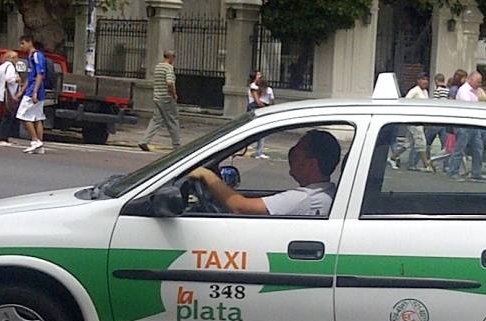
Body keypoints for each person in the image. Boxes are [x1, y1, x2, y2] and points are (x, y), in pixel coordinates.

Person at [188, 130, 341, 216]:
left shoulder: (304, 198)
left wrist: (206, 175)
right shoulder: (326, 193)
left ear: (311, 164)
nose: (291, 155)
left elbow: (239, 206)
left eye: (296, 152)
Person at [387, 72, 435, 172]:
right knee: (421, 141)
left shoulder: (425, 92)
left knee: (408, 143)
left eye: (426, 79)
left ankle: (392, 158)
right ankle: (426, 164)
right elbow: (405, 102)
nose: (425, 81)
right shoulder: (414, 91)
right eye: (422, 79)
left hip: (420, 120)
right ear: (418, 80)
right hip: (414, 121)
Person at [139, 50, 181, 152]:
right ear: (171, 57)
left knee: (156, 120)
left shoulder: (158, 67)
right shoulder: (168, 68)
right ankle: (177, 145)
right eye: (174, 57)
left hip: (157, 97)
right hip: (166, 98)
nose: (174, 60)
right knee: (173, 120)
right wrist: (174, 93)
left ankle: (144, 141)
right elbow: (169, 82)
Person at [447, 71, 486, 181]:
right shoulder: (464, 90)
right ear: (471, 79)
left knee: (478, 149)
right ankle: (453, 172)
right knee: (459, 149)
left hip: (473, 124)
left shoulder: (475, 91)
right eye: (478, 82)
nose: (479, 84)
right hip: (464, 124)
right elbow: (469, 106)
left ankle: (476, 173)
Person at [16, 36, 47, 154]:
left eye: (23, 43)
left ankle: (35, 140)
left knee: (22, 114)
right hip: (32, 88)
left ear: (30, 43)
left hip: (34, 90)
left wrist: (34, 91)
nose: (21, 46)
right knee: (37, 117)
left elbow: (40, 74)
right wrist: (21, 91)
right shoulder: (29, 57)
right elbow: (30, 76)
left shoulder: (36, 56)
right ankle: (39, 145)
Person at [0, 50, 21, 146]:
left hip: (1, 93)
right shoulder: (10, 67)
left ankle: (5, 137)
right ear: (12, 58)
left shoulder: (2, 66)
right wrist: (17, 79)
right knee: (7, 117)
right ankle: (1, 138)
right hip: (8, 94)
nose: (17, 60)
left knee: (7, 116)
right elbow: (9, 78)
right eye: (16, 58)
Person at [425, 72, 449, 159]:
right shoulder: (448, 90)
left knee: (427, 141)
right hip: (445, 120)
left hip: (437, 119)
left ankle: (427, 162)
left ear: (436, 81)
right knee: (445, 144)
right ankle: (445, 165)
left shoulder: (437, 90)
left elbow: (435, 103)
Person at [250, 75, 274, 159]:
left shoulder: (264, 90)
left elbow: (271, 101)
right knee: (260, 132)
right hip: (259, 108)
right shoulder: (255, 88)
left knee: (261, 132)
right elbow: (260, 102)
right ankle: (258, 151)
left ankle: (258, 151)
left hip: (260, 108)